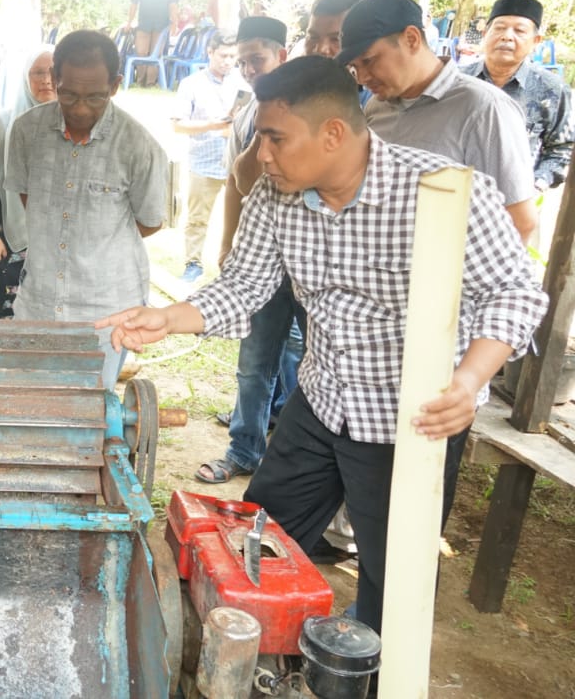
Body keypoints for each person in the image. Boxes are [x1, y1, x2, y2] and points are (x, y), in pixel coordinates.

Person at [99, 54, 547, 638]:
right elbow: (243, 285)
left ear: (333, 133)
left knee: (396, 585)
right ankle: (241, 655)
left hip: (410, 421)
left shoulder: (442, 191)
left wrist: (467, 382)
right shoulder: (277, 196)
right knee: (253, 543)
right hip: (319, 402)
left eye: (274, 138)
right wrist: (168, 317)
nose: (261, 154)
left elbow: (514, 293)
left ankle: (366, 667)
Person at [3, 29, 169, 390]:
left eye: (94, 97)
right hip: (40, 301)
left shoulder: (139, 146)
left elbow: (149, 222)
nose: (80, 109)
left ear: (115, 85)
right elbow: (29, 200)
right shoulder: (27, 132)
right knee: (32, 402)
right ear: (53, 80)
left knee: (89, 413)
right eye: (68, 94)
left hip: (107, 308)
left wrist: (93, 241)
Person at [339, 0, 538, 243]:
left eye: (369, 61)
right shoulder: (378, 106)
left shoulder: (484, 108)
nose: (362, 77)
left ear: (411, 39)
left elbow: (519, 222)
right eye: (355, 67)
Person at [198, 15, 300, 486]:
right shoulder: (245, 113)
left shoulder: (312, 105)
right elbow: (239, 187)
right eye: (242, 62)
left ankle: (292, 455)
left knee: (301, 363)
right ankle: (244, 449)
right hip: (263, 263)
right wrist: (227, 246)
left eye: (256, 59)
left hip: (311, 267)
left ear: (283, 53)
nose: (250, 69)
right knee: (254, 362)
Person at [460, 0, 574, 197]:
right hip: (454, 193)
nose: (507, 36)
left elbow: (561, 148)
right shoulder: (458, 80)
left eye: (519, 30)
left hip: (515, 201)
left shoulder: (552, 90)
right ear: (485, 33)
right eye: (500, 28)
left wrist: (537, 186)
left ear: (536, 41)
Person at [0, 45, 55, 319]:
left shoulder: (76, 123)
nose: (45, 79)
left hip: (60, 244)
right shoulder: (3, 123)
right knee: (5, 321)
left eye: (52, 72)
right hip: (11, 240)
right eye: (37, 72)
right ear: (25, 78)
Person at [170, 30, 242, 283]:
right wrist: (211, 125)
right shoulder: (192, 84)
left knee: (242, 220)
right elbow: (178, 125)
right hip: (204, 162)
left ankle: (236, 267)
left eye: (233, 56)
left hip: (238, 163)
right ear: (210, 52)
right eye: (223, 55)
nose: (228, 61)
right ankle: (193, 264)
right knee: (197, 219)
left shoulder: (243, 82)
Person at [124, 0, 179, 86]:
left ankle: (150, 83)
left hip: (161, 25)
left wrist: (175, 23)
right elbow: (134, 3)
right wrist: (129, 21)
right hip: (143, 24)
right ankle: (140, 81)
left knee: (156, 54)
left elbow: (173, 5)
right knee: (141, 52)